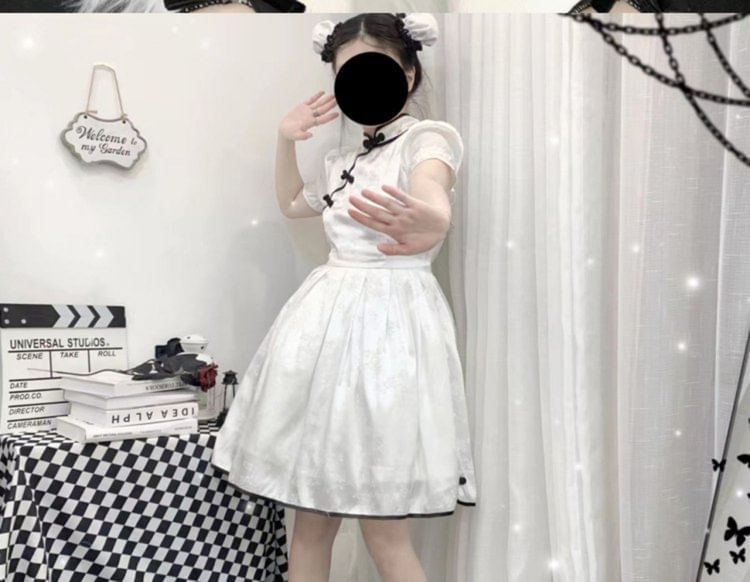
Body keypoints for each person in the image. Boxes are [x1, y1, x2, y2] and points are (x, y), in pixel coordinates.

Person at [210, 13, 477, 582]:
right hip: (323, 333)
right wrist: (286, 138)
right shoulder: (343, 160)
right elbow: (292, 203)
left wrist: (434, 216)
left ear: (408, 73)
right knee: (311, 521)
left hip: (389, 333)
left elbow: (432, 188)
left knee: (384, 531)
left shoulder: (427, 139)